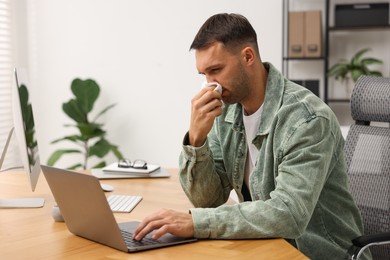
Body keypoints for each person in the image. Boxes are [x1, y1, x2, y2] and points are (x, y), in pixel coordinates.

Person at [133, 13, 370, 259]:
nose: (210, 85)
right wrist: (197, 139)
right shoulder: (227, 113)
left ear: (248, 56)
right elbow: (209, 200)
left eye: (216, 70)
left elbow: (288, 214)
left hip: (318, 254)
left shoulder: (306, 119)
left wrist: (196, 223)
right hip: (268, 248)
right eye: (204, 74)